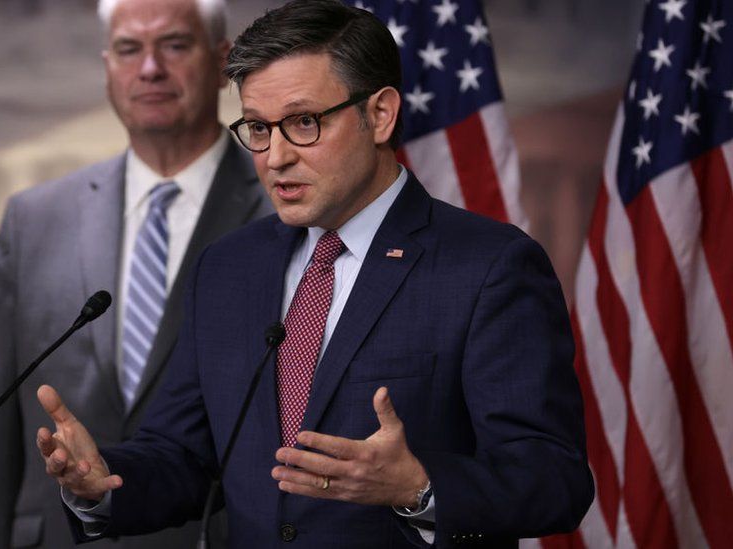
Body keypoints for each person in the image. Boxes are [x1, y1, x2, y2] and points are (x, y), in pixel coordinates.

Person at [35, 1, 594, 547]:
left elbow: (554, 479)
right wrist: (100, 480)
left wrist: (418, 486)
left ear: (379, 114)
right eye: (257, 128)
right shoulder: (228, 268)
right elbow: (185, 455)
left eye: (303, 122)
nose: (275, 156)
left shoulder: (489, 266)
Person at [0, 0, 271, 547]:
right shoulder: (33, 220)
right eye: (128, 49)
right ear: (107, 69)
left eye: (174, 44)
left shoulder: (284, 210)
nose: (150, 68)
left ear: (222, 62)